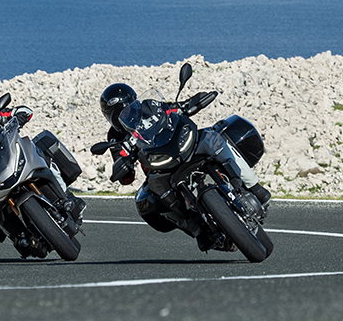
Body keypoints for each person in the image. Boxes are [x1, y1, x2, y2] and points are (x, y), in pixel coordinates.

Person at [97, 81, 271, 249]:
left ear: (134, 102)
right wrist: (124, 167)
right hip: (158, 167)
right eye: (117, 115)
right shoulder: (115, 137)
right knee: (147, 198)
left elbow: (173, 109)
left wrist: (191, 104)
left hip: (181, 143)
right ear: (109, 119)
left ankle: (254, 187)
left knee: (214, 138)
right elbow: (125, 172)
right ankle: (197, 229)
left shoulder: (149, 106)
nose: (123, 117)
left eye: (126, 110)